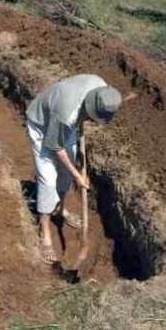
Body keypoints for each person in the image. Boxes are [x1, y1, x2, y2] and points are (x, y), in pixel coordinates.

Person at [25, 74, 137, 264]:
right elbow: (55, 147)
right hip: (42, 125)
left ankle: (59, 209)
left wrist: (72, 175)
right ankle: (44, 232)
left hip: (66, 124)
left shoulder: (101, 86)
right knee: (48, 179)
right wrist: (78, 175)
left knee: (64, 177)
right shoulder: (66, 114)